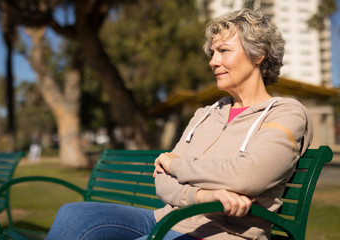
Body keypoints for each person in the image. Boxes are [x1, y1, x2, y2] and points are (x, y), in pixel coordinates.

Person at [45, 8, 313, 240]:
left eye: (223, 51)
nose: (213, 61)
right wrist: (203, 197)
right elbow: (162, 181)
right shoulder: (205, 114)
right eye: (212, 52)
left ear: (259, 55)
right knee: (73, 214)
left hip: (223, 233)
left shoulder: (285, 113)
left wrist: (174, 164)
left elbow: (248, 175)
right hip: (166, 219)